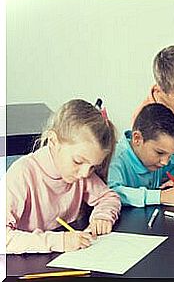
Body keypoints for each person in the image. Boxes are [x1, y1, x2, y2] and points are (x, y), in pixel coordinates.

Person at [6, 99, 121, 254]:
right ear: (53, 142)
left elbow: (109, 197)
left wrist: (103, 216)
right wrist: (59, 241)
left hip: (65, 259)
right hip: (26, 263)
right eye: (78, 161)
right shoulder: (22, 174)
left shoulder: (82, 174)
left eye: (93, 166)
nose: (85, 173)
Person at [109, 103, 174, 207]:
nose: (165, 162)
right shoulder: (115, 159)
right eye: (160, 153)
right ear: (137, 139)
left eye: (170, 155)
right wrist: (161, 196)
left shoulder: (161, 154)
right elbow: (111, 193)